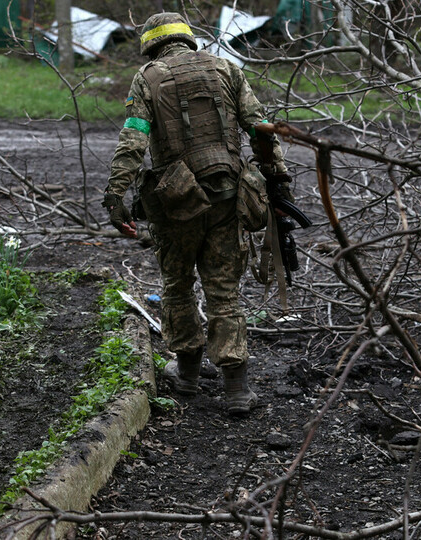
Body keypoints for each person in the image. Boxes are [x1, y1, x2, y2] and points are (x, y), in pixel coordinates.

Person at [102, 12, 293, 415]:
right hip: (228, 195)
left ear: (151, 45)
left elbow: (134, 140)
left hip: (176, 203)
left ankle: (187, 375)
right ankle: (236, 388)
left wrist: (116, 195)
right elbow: (260, 127)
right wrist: (277, 177)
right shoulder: (226, 68)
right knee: (224, 289)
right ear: (188, 40)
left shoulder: (147, 78)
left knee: (177, 285)